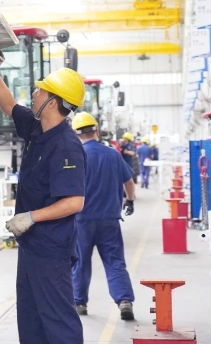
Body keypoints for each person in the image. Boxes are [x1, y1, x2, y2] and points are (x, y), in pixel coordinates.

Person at [0, 48, 86, 344]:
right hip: (32, 245)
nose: (34, 94)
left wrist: (31, 217)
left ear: (52, 102)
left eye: (40, 91)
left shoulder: (66, 146)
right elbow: (9, 105)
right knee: (30, 318)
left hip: (51, 248)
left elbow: (74, 201)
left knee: (58, 320)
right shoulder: (37, 128)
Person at [70, 112, 136, 321]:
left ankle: (79, 302)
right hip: (109, 219)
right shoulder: (113, 155)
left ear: (75, 134)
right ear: (96, 131)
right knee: (115, 261)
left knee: (80, 262)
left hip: (81, 220)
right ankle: (124, 301)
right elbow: (129, 182)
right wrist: (130, 201)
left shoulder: (74, 156)